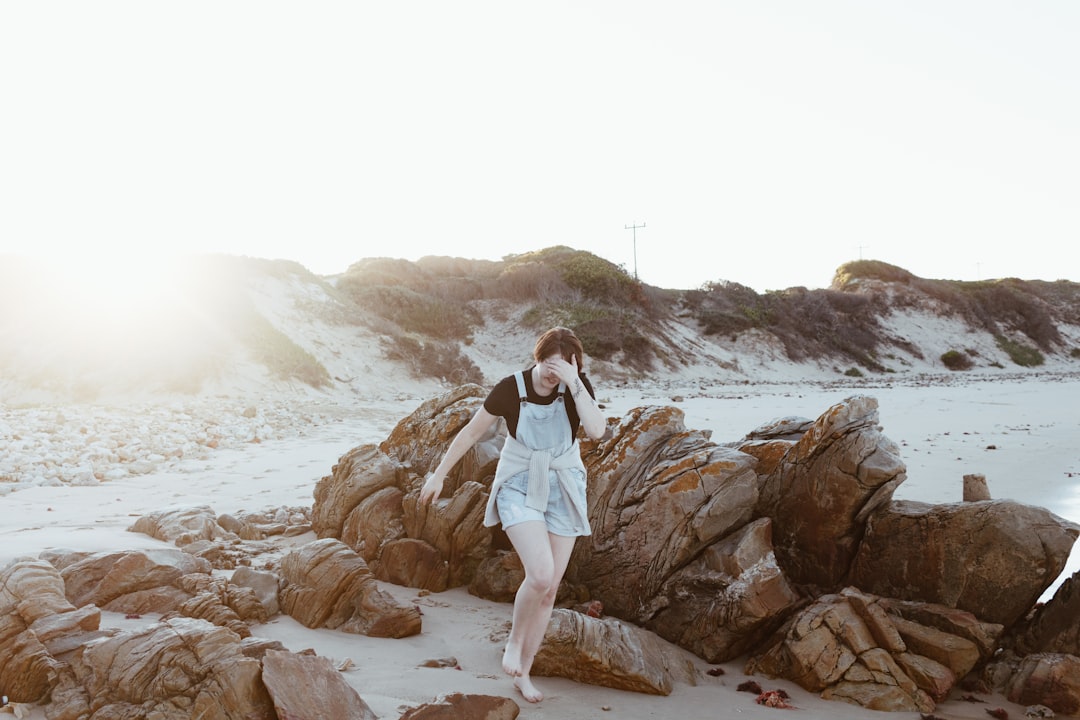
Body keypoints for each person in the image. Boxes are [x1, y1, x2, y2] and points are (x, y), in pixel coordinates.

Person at [419, 326, 606, 703]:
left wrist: (575, 383)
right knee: (540, 574)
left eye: (564, 368)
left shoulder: (574, 387)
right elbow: (471, 433)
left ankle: (524, 672)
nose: (554, 376)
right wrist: (439, 474)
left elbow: (597, 431)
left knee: (550, 590)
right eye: (550, 367)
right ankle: (514, 643)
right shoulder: (511, 388)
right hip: (519, 482)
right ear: (537, 358)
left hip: (564, 485)